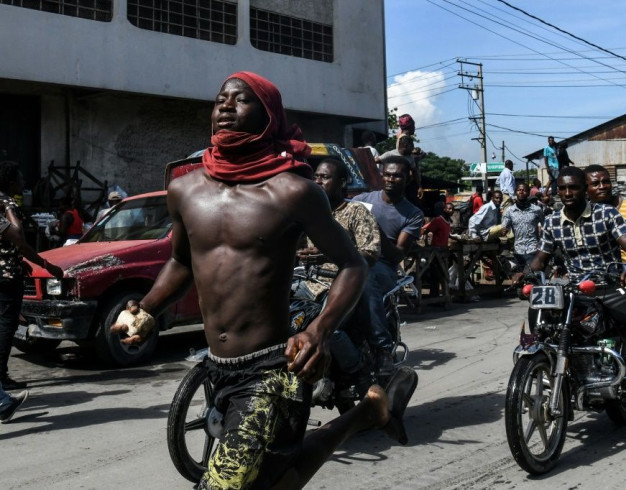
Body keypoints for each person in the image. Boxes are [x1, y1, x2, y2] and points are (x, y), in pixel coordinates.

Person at [111, 72, 418, 489]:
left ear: (269, 116)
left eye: (241, 100)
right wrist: (146, 309)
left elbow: (353, 264)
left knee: (225, 486)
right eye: (221, 99)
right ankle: (366, 412)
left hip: (274, 367)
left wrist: (319, 331)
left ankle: (365, 405)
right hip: (217, 368)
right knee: (276, 481)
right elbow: (182, 261)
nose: (225, 106)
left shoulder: (293, 191)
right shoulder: (184, 189)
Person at [514, 166, 626, 411]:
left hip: (608, 283)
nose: (567, 192)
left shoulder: (605, 213)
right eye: (562, 188)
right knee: (538, 313)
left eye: (573, 187)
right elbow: (541, 258)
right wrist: (526, 273)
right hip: (573, 287)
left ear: (584, 190)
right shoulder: (552, 220)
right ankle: (548, 364)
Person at [296, 158, 380, 379]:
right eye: (316, 177)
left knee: (327, 329)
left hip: (342, 283)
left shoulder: (356, 211)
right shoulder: (310, 213)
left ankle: (357, 371)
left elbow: (370, 253)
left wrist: (328, 255)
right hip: (308, 282)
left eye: (325, 177)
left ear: (342, 182)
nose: (318, 181)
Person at [353, 158, 424, 376]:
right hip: (350, 260)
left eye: (397, 175)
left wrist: (375, 231)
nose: (391, 179)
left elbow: (398, 253)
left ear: (407, 178)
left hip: (382, 266)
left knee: (366, 275)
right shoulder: (361, 200)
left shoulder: (413, 214)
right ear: (381, 175)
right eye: (387, 174)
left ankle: (382, 347)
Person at [0, 161, 64, 390]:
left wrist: (21, 262)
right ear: (10, 182)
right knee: (7, 326)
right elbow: (19, 238)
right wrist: (47, 265)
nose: (24, 183)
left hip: (8, 270)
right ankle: (1, 379)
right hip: (7, 277)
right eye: (20, 178)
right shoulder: (5, 202)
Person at [500, 183, 544, 268]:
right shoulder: (510, 211)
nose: (521, 192)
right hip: (518, 251)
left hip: (533, 250)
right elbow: (504, 227)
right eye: (519, 190)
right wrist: (503, 230)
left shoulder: (537, 210)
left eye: (524, 190)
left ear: (528, 193)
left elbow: (545, 226)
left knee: (531, 277)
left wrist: (541, 241)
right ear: (516, 192)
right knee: (519, 278)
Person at [421, 201, 454, 297]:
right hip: (436, 250)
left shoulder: (448, 222)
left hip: (443, 251)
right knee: (436, 274)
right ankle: (435, 296)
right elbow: (427, 230)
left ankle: (441, 296)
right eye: (449, 208)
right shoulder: (439, 220)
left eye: (452, 209)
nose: (450, 210)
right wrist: (427, 244)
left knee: (442, 274)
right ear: (444, 210)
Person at [378, 134, 423, 201]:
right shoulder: (390, 154)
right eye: (412, 145)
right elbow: (374, 161)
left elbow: (414, 172)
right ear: (406, 146)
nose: (413, 148)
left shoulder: (410, 158)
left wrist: (419, 187)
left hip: (403, 188)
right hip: (389, 186)